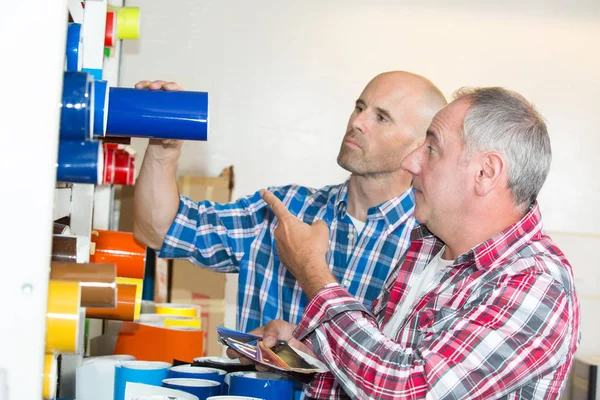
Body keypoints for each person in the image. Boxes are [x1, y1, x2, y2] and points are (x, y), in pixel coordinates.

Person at [248, 87, 581, 399]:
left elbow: (407, 389)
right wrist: (304, 352)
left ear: (486, 172)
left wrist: (312, 271)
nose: (410, 162)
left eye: (432, 149)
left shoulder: (536, 284)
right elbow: (377, 365)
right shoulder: (428, 247)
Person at [132, 71, 448, 332]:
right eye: (359, 106)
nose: (358, 122)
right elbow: (158, 229)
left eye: (381, 118)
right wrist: (163, 147)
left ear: (420, 146)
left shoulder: (433, 250)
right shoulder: (283, 209)